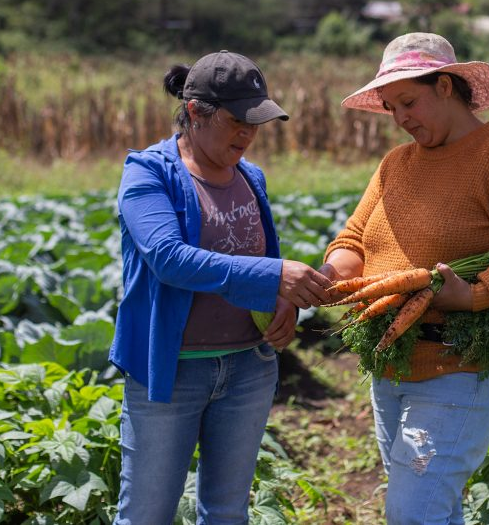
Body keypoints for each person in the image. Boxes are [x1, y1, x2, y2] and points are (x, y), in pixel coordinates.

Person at [320, 32, 489, 524]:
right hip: (392, 366)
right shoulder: (396, 164)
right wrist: (331, 276)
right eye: (392, 108)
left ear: (444, 86)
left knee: (412, 515)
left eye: (408, 102)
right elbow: (353, 238)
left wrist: (476, 296)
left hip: (459, 369)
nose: (400, 119)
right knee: (433, 509)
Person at [110, 50, 333, 524]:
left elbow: (261, 258)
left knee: (228, 512)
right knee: (146, 514)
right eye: (237, 121)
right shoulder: (148, 174)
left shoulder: (250, 177)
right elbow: (170, 260)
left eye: (257, 123)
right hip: (170, 375)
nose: (248, 134)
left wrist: (281, 303)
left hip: (247, 370)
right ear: (195, 112)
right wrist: (275, 277)